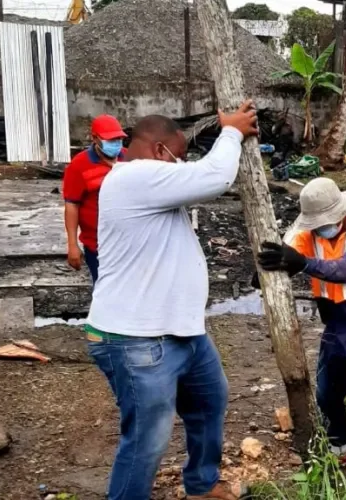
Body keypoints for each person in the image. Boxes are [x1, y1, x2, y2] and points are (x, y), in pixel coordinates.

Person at [84, 101, 258, 500]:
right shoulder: (134, 177)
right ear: (158, 149)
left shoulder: (149, 184)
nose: (181, 165)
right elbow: (214, 177)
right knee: (147, 439)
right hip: (134, 338)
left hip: (180, 331)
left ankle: (202, 484)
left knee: (209, 401)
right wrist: (231, 130)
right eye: (178, 156)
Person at [256, 178, 346, 466]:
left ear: (341, 213)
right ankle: (339, 449)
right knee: (327, 395)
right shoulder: (308, 236)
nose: (322, 227)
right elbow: (287, 254)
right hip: (335, 327)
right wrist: (265, 269)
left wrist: (304, 264)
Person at [62, 114, 128, 284]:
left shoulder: (128, 159)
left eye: (118, 139)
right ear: (95, 139)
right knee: (105, 289)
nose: (116, 144)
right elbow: (71, 205)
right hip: (98, 245)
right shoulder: (79, 165)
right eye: (110, 140)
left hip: (129, 242)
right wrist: (72, 245)